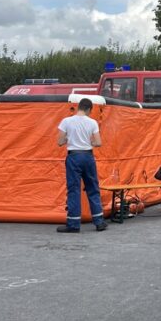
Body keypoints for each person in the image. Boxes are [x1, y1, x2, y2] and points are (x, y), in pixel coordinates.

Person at [55, 97, 108, 232]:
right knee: (93, 188)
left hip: (74, 157)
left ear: (78, 107)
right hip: (88, 157)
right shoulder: (92, 123)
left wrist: (70, 138)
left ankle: (73, 224)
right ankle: (99, 221)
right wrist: (88, 142)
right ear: (89, 109)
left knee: (74, 190)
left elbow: (60, 141)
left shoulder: (66, 121)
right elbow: (98, 143)